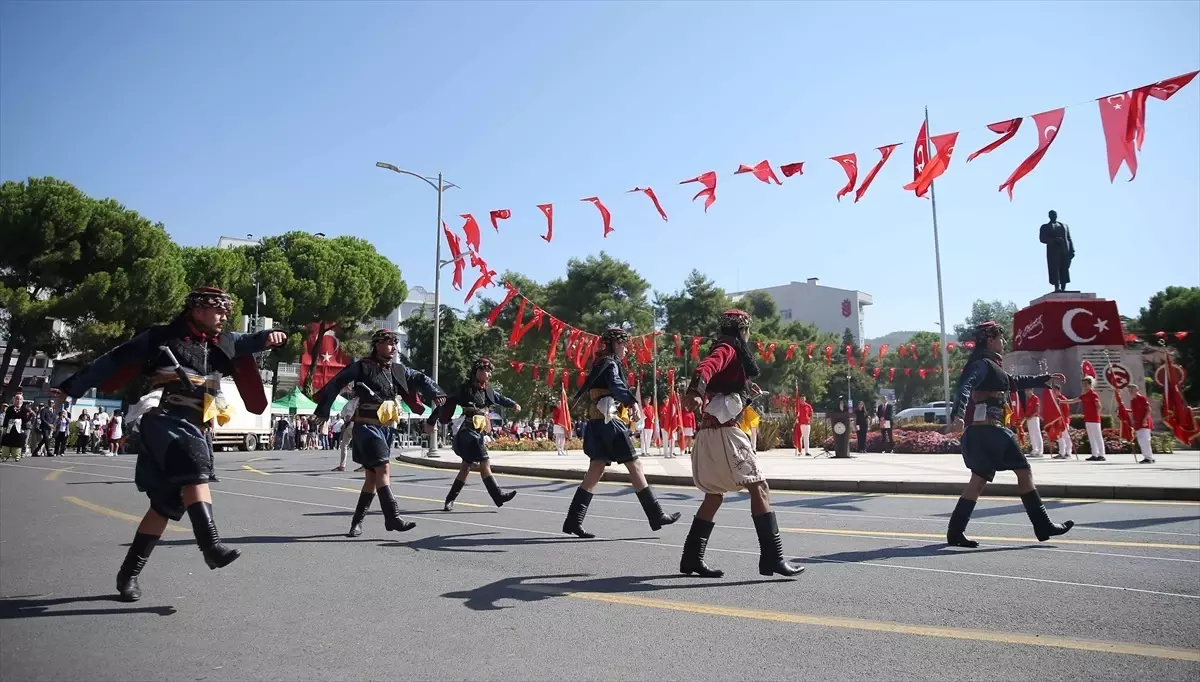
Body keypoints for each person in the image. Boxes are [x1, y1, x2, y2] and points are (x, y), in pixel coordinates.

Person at [53, 286, 287, 602]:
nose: (224, 316)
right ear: (197, 309)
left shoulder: (226, 342)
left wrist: (273, 335)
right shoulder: (160, 337)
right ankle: (211, 546)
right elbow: (113, 360)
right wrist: (71, 388)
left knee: (165, 504)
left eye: (226, 311)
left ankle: (128, 575)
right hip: (164, 415)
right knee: (195, 471)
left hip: (199, 423)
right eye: (218, 310)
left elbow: (254, 341)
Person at [679, 310, 803, 578]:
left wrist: (745, 395)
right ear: (742, 330)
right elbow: (705, 368)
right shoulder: (727, 348)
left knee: (714, 495)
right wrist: (696, 391)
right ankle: (772, 558)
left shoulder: (725, 347)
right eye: (747, 330)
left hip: (710, 433)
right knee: (760, 489)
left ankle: (691, 558)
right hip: (726, 434)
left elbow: (721, 388)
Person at [945, 321, 1073, 548]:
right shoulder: (982, 364)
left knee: (978, 481)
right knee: (1024, 471)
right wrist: (958, 415)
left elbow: (1012, 382)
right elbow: (965, 386)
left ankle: (955, 531)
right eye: (1001, 338)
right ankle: (1042, 525)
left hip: (982, 433)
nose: (1003, 342)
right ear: (990, 340)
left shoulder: (991, 366)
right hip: (991, 432)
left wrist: (1043, 380)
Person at [313, 328, 445, 537]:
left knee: (372, 479)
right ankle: (392, 517)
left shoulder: (398, 370)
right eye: (389, 343)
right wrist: (323, 409)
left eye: (395, 343)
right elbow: (336, 382)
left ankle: (356, 523)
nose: (394, 347)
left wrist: (435, 392)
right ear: (377, 345)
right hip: (365, 426)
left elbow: (421, 378)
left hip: (386, 428)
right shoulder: (361, 367)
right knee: (383, 469)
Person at [561, 327, 680, 538]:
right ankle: (656, 514)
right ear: (614, 344)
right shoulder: (610, 363)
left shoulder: (600, 362)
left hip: (597, 422)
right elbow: (615, 385)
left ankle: (573, 520)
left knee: (596, 469)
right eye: (623, 344)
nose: (626, 348)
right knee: (635, 465)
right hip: (609, 422)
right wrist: (631, 402)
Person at [433, 358, 521, 511]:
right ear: (477, 371)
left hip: (478, 432)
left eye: (489, 371)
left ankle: (449, 500)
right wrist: (431, 420)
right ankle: (498, 495)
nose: (489, 374)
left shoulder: (488, 390)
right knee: (485, 462)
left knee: (466, 467)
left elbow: (500, 398)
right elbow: (447, 402)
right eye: (486, 371)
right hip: (468, 432)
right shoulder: (465, 389)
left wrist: (513, 404)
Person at [1039, 210, 1075, 293]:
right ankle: (1057, 286)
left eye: (1055, 214)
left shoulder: (1064, 226)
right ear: (1049, 216)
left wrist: (1072, 250)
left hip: (1065, 250)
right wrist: (1054, 240)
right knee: (1055, 268)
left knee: (1065, 268)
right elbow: (1042, 239)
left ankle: (1063, 287)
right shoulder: (1045, 227)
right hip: (1053, 251)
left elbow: (1069, 238)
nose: (1054, 216)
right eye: (1052, 215)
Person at [1079, 376, 1106, 462]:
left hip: (1094, 419)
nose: (1084, 386)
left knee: (1098, 437)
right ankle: (1094, 454)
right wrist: (1062, 401)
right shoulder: (1084, 395)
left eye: (1086, 384)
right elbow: (1074, 400)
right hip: (1088, 419)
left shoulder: (1093, 394)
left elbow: (1099, 406)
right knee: (1091, 437)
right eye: (1083, 384)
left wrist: (1096, 413)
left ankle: (1101, 454)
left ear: (1090, 385)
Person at [1, 389, 30, 462]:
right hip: (10, 426)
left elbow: (25, 419)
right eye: (17, 399)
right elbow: (6, 417)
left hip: (19, 426)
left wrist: (23, 428)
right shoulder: (10, 408)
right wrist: (5, 426)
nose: (18, 400)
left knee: (18, 441)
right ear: (14, 399)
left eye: (20, 399)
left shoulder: (24, 409)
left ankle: (17, 455)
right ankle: (5, 455)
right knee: (7, 440)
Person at [1129, 384, 1155, 463]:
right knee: (1141, 441)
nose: (1130, 391)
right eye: (1129, 390)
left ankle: (1149, 457)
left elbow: (1148, 409)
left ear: (1136, 390)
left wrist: (1144, 419)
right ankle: (1147, 457)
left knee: (1145, 440)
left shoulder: (1142, 398)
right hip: (1138, 423)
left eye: (1132, 389)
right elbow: (1134, 412)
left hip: (1144, 423)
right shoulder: (1133, 401)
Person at [1024, 388, 1043, 457]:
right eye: (1026, 391)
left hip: (1034, 418)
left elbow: (1037, 411)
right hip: (1029, 419)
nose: (1027, 392)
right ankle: (1034, 450)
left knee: (1037, 434)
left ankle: (1040, 451)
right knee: (1032, 434)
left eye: (1028, 390)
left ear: (1032, 390)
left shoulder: (1035, 398)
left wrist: (1030, 417)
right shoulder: (1028, 399)